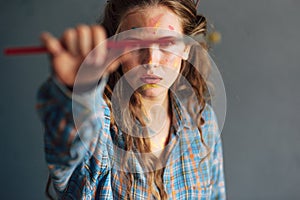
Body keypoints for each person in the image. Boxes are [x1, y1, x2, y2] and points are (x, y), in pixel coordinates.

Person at [37, 0, 226, 199]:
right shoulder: (101, 127)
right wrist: (78, 89)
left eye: (166, 43)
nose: (151, 61)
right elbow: (68, 148)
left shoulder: (203, 122)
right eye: (136, 43)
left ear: (186, 48)